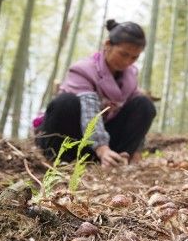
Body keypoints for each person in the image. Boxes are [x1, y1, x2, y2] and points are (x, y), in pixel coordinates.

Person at [35, 20, 156, 167]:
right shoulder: (83, 70)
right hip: (70, 138)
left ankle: (117, 159)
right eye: (123, 54)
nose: (127, 62)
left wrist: (136, 150)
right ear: (107, 45)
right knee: (65, 102)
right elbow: (89, 113)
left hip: (99, 143)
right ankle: (59, 159)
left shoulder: (130, 77)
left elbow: (137, 119)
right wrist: (102, 148)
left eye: (134, 57)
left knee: (144, 105)